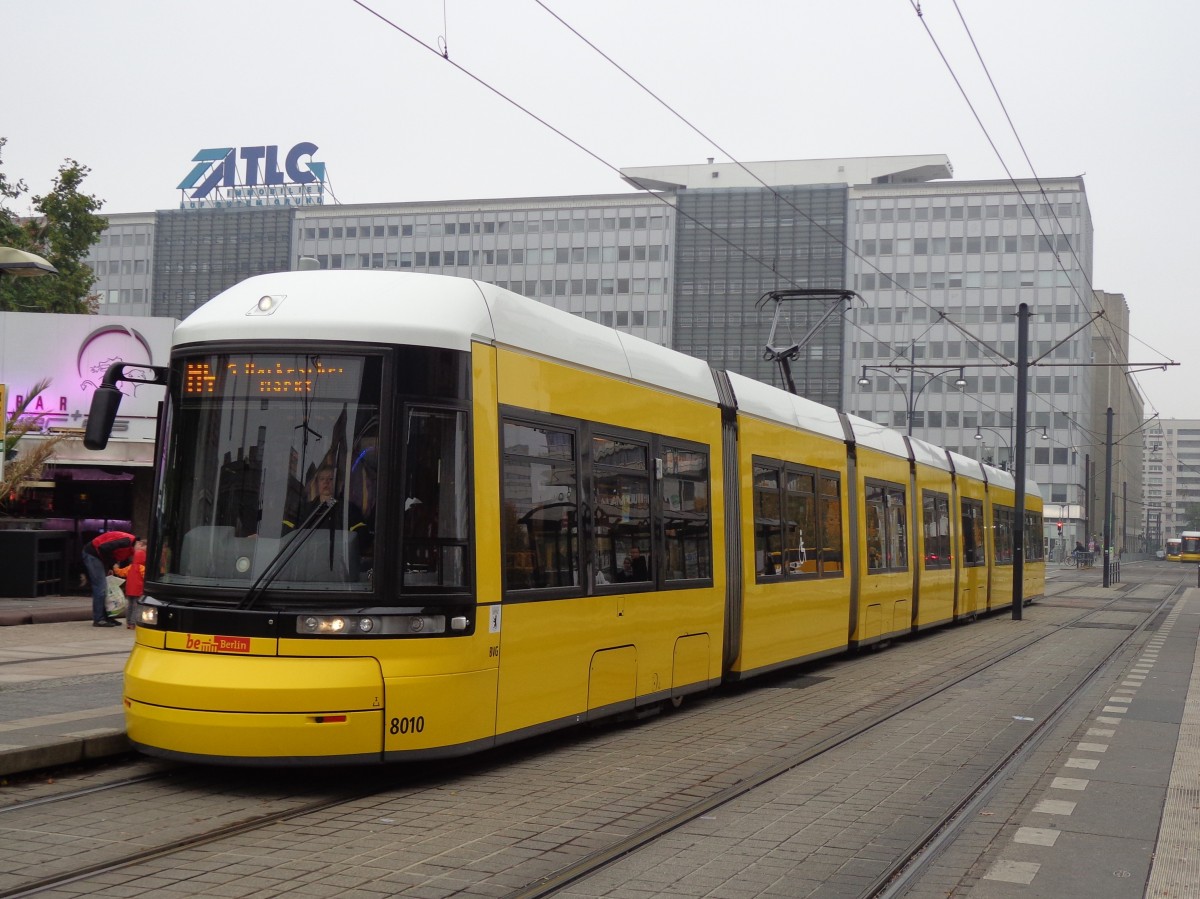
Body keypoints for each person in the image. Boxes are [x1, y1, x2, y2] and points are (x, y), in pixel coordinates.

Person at [81, 531, 137, 628]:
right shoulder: (127, 541)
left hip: (98, 555)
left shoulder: (130, 544)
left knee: (105, 588)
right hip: (93, 554)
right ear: (140, 544)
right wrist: (112, 563)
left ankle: (106, 617)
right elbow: (103, 548)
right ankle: (99, 619)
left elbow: (108, 550)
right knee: (100, 587)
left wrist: (110, 566)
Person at [113, 538, 147, 629]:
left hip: (129, 590)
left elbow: (121, 572)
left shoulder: (131, 567)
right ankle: (133, 623)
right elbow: (145, 578)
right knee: (136, 607)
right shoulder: (142, 568)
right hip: (138, 590)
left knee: (130, 606)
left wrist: (116, 568)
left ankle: (128, 622)